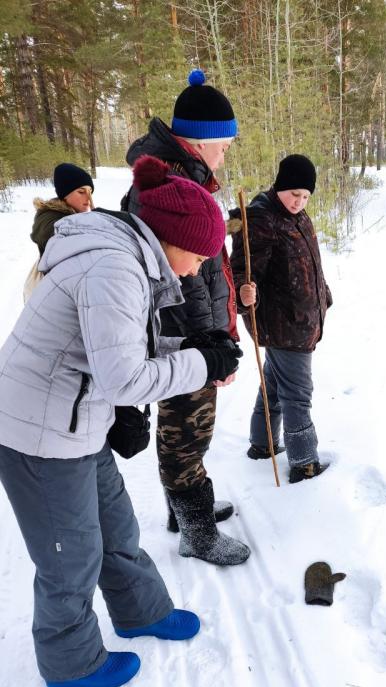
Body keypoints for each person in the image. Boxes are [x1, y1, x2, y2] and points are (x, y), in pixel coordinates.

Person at [0, 155, 245, 687]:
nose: (199, 267)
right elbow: (126, 379)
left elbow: (116, 346)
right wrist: (204, 364)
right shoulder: (116, 268)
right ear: (171, 239)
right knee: (70, 555)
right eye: (199, 256)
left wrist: (194, 346)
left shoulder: (127, 258)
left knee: (116, 527)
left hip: (76, 416)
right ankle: (70, 661)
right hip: (38, 430)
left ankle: (141, 612)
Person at [122, 69, 245, 564]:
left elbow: (204, 267)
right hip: (182, 337)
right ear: (201, 141)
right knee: (185, 433)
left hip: (196, 331)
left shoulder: (184, 177)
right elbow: (182, 279)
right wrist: (210, 339)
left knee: (188, 431)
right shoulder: (168, 185)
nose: (227, 152)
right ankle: (196, 531)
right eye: (225, 143)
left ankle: (185, 510)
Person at [230, 154, 333, 483]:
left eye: (305, 196)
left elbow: (309, 262)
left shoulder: (298, 216)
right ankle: (304, 464)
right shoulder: (262, 218)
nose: (299, 202)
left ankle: (263, 444)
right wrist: (245, 293)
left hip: (301, 319)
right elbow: (243, 270)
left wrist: (323, 295)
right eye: (294, 195)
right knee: (297, 393)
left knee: (274, 385)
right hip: (284, 324)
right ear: (280, 187)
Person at [25, 163, 94, 301]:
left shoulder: (77, 215)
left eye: (90, 192)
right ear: (65, 194)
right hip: (48, 295)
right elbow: (49, 233)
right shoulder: (48, 216)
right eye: (81, 192)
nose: (88, 199)